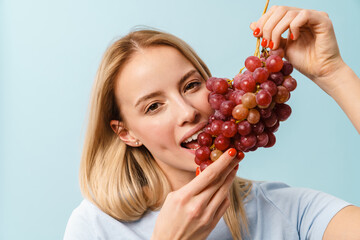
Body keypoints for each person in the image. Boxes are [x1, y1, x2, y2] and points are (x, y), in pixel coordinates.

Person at [64, 6, 360, 240]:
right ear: (126, 133)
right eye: (154, 106)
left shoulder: (286, 211)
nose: (187, 112)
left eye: (191, 86)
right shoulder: (95, 227)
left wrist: (333, 73)